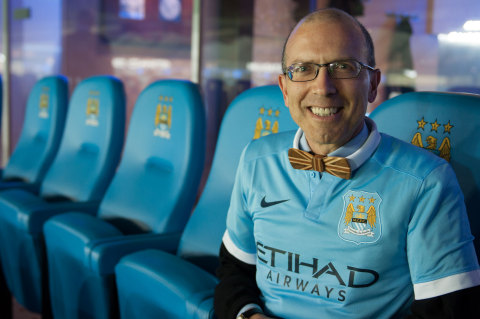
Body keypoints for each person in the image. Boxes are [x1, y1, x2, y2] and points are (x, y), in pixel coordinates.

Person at [214, 8, 480, 319]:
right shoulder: (256, 159)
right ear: (285, 89)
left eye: (344, 67)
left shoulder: (427, 182)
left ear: (372, 84)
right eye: (303, 68)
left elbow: (448, 311)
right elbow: (234, 270)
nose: (323, 87)